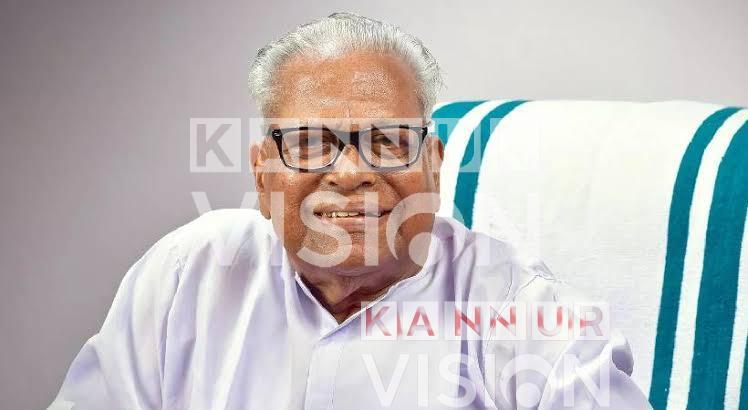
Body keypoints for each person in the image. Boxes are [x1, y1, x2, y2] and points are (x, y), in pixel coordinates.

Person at [50, 12, 651, 409]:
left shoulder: (527, 318)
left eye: (387, 140)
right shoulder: (190, 274)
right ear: (262, 173)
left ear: (434, 166)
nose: (349, 173)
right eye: (311, 142)